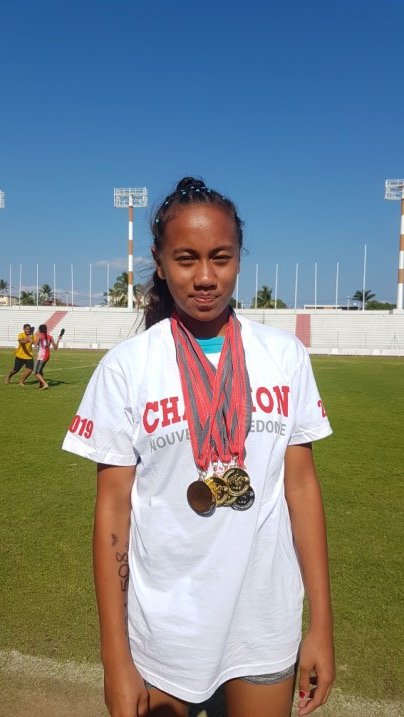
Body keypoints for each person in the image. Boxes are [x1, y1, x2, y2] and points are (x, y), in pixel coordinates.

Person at [62, 177, 335, 717]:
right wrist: (115, 658)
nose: (206, 277)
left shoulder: (284, 356)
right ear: (161, 264)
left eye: (221, 257)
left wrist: (321, 624)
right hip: (166, 628)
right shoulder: (127, 367)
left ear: (238, 260)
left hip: (264, 619)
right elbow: (113, 511)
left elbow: (301, 487)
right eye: (186, 259)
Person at [34, 323, 61, 389]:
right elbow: (55, 348)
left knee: (36, 372)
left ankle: (45, 384)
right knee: (40, 370)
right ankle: (41, 384)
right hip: (47, 356)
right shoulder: (50, 337)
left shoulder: (39, 336)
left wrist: (32, 338)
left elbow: (35, 345)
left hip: (41, 356)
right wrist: (58, 340)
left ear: (40, 330)